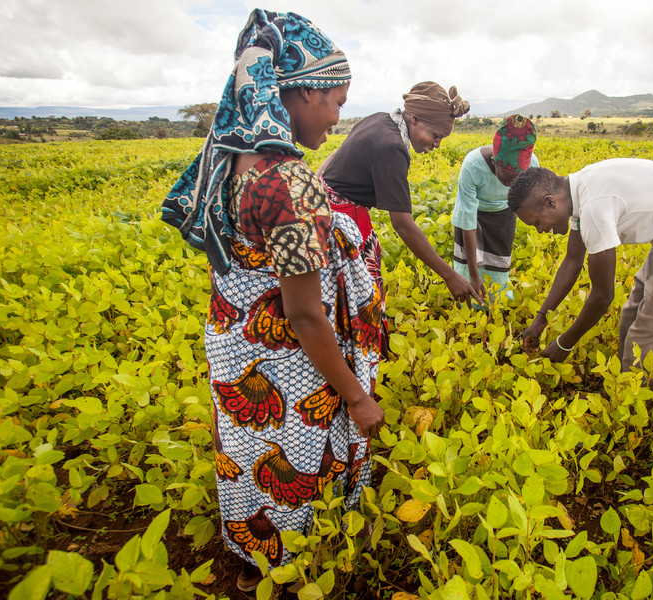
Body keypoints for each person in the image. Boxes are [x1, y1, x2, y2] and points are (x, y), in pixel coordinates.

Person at [160, 9, 384, 593]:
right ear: (301, 93)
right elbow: (305, 314)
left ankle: (251, 550)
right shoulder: (286, 179)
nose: (338, 118)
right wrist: (357, 397)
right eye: (335, 101)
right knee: (298, 453)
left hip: (236, 340)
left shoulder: (234, 158)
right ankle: (293, 567)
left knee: (247, 441)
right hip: (284, 359)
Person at [507, 158, 653, 373]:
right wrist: (542, 316)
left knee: (645, 345)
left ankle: (637, 402)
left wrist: (566, 342)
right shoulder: (576, 192)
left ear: (550, 201)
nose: (539, 230)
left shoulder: (593, 208)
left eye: (537, 222)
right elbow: (572, 262)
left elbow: (603, 297)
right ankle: (625, 384)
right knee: (630, 318)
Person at [318, 81, 482, 347]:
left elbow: (338, 153)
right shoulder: (392, 147)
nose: (438, 145)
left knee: (345, 296)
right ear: (414, 118)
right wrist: (450, 276)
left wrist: (317, 187)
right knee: (360, 301)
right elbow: (403, 225)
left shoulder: (380, 120)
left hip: (332, 210)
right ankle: (362, 362)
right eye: (435, 135)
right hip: (342, 218)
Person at [451, 114, 538, 302]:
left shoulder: (532, 165)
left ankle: (495, 307)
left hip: (503, 216)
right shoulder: (472, 166)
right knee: (467, 269)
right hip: (473, 217)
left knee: (498, 269)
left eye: (516, 179)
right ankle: (469, 310)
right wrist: (474, 276)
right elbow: (467, 220)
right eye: (506, 178)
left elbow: (527, 201)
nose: (509, 184)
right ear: (493, 161)